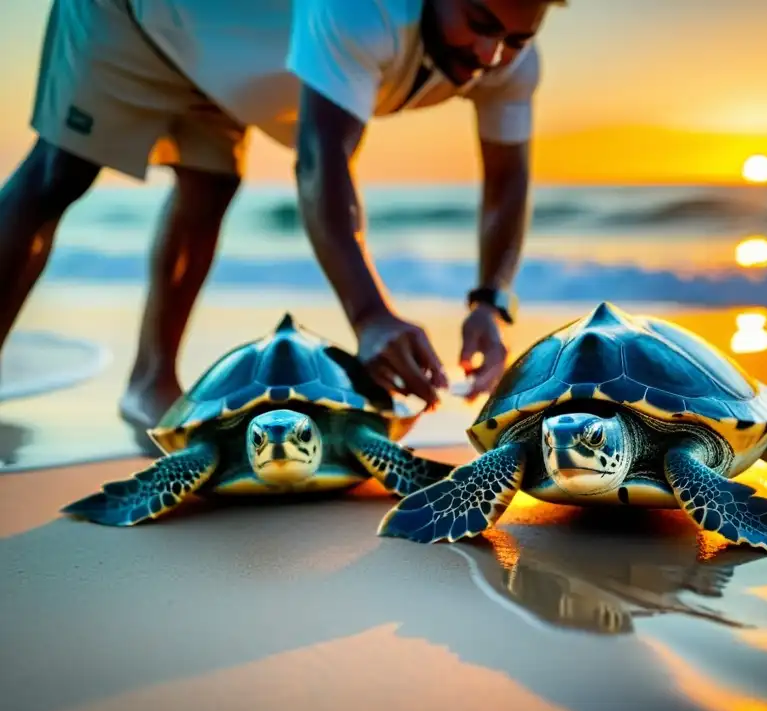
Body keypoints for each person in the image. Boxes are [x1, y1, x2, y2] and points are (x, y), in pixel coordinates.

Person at [0, 0, 563, 427]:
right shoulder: (365, 12)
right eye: (481, 22)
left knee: (212, 186)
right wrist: (370, 316)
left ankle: (151, 382)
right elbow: (322, 162)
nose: (492, 56)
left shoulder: (511, 64)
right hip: (135, 15)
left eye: (517, 37)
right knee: (57, 176)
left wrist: (491, 304)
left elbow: (508, 183)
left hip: (229, 58)